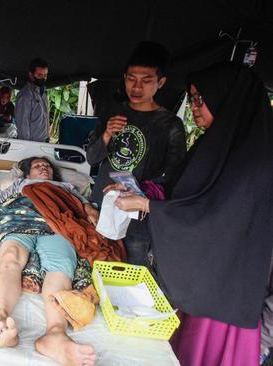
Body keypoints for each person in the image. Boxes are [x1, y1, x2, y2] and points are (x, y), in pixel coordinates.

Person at [110, 62, 273, 366]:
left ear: (227, 98)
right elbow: (181, 196)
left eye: (201, 99)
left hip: (223, 302)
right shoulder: (212, 146)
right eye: (193, 98)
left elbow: (217, 220)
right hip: (196, 284)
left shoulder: (254, 162)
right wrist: (139, 191)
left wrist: (147, 206)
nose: (195, 108)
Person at [0, 157, 102, 366]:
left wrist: (91, 211)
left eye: (47, 166)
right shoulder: (20, 185)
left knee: (60, 267)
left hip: (57, 226)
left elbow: (81, 206)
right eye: (37, 166)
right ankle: (2, 322)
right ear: (27, 174)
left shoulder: (67, 187)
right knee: (10, 258)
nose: (44, 167)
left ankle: (55, 334)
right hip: (18, 220)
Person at [86, 41, 186, 266]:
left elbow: (173, 175)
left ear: (161, 82)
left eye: (146, 80)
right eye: (131, 78)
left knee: (129, 272)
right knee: (92, 266)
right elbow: (92, 158)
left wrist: (138, 192)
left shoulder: (170, 124)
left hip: (137, 217)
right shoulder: (112, 112)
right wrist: (106, 135)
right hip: (102, 206)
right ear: (124, 77)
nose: (137, 87)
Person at [15, 58, 49, 142]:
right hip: (32, 143)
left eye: (45, 75)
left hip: (43, 140)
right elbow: (22, 124)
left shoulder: (43, 92)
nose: (43, 78)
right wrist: (28, 146)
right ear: (31, 75)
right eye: (40, 75)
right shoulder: (25, 95)